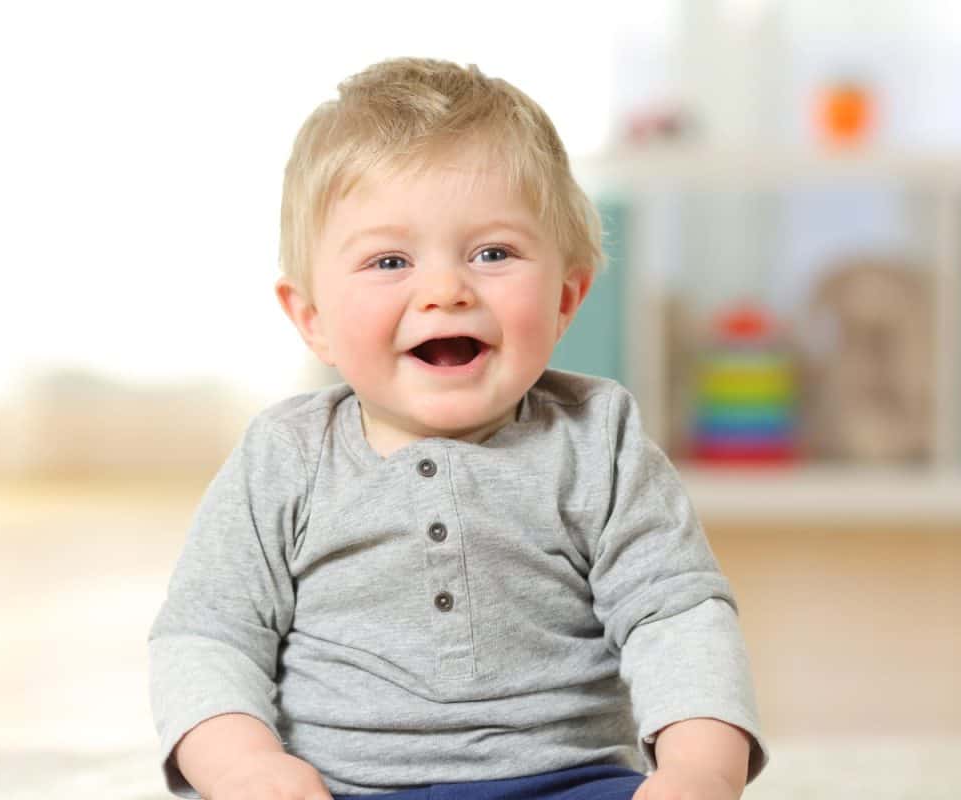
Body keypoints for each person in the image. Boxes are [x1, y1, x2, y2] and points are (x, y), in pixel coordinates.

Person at [149, 57, 767, 800]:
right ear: (311, 319)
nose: (445, 291)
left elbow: (675, 614)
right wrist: (245, 764)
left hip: (568, 782)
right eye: (389, 260)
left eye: (493, 253)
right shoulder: (284, 456)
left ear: (567, 296)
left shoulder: (597, 437)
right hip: (343, 789)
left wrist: (698, 767)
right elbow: (206, 634)